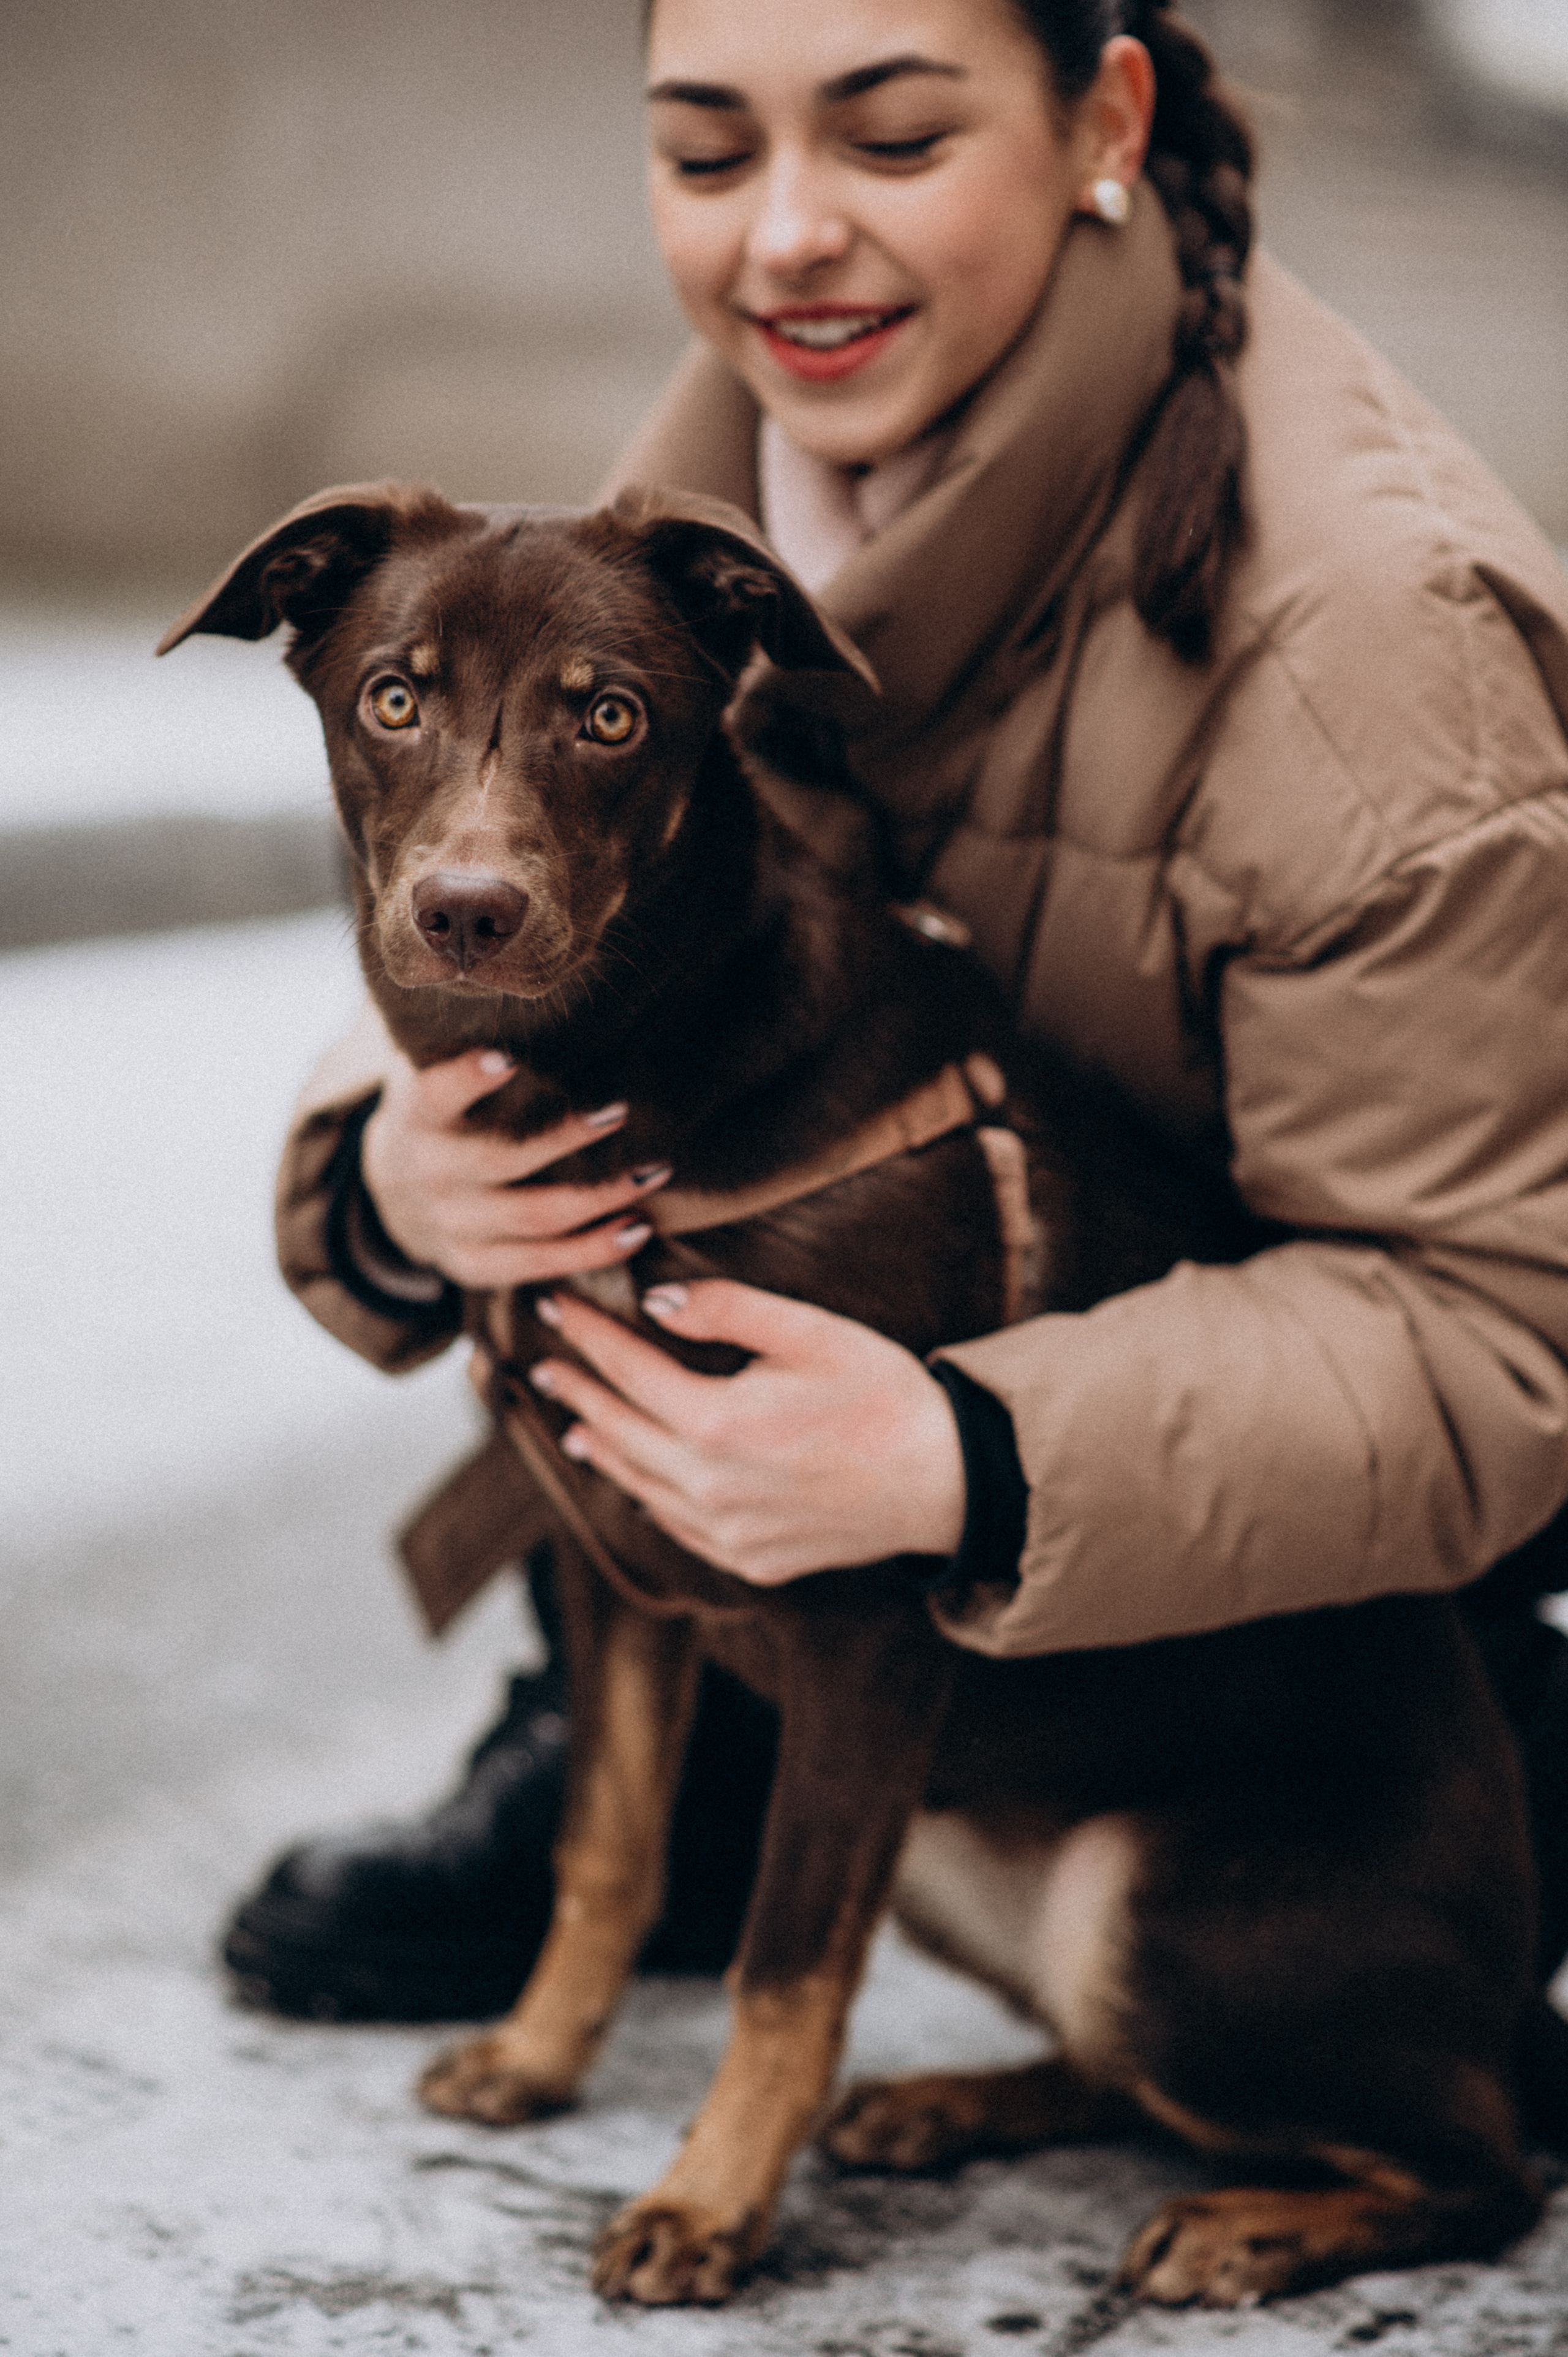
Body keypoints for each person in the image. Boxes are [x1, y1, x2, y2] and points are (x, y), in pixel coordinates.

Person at [224, 0, 1568, 2022]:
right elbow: (572, 915)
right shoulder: (734, 472)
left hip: (1287, 1666)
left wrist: (973, 1460)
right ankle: (662, 1762)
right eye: (706, 154)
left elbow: (1503, 1343)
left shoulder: (1373, 646)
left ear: (1105, 118)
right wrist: (389, 1173)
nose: (782, 239)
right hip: (851, 1474)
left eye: (892, 140)